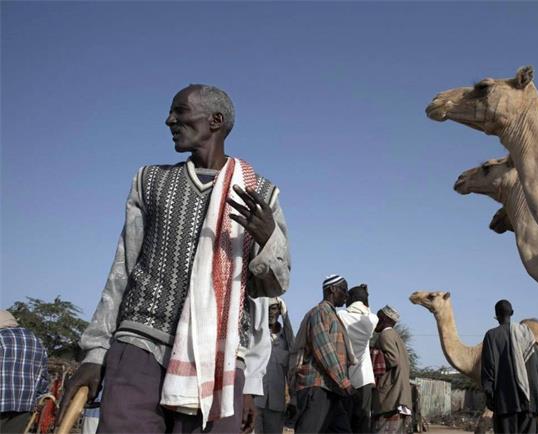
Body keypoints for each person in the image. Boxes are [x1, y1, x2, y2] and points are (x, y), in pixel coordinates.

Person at [58, 84, 291, 434]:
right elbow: (121, 272)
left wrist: (268, 239)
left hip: (218, 361)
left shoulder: (259, 193)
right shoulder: (150, 181)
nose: (169, 120)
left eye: (179, 111)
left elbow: (273, 285)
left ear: (215, 120)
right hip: (139, 346)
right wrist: (95, 353)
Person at [290, 275, 355, 433]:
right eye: (344, 290)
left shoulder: (332, 315)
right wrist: (344, 382)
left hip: (331, 388)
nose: (347, 296)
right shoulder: (320, 312)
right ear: (332, 289)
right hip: (317, 387)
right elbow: (324, 351)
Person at [480, 300, 538, 434]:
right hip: (529, 401)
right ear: (512, 313)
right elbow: (537, 363)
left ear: (496, 315)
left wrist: (489, 396)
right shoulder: (526, 334)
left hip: (505, 403)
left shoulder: (491, 336)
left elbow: (488, 369)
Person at [337, 284, 379, 433]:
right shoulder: (372, 320)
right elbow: (368, 312)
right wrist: (366, 295)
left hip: (345, 378)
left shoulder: (341, 316)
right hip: (364, 379)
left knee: (345, 420)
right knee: (362, 420)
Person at [0, 310, 49, 434]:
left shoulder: (1, 337)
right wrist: (39, 397)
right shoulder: (36, 341)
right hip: (24, 405)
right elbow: (43, 377)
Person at [254, 298, 295, 434]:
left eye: (274, 309)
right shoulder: (257, 335)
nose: (271, 313)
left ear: (279, 311)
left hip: (276, 404)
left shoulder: (285, 339)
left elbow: (294, 349)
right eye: (268, 308)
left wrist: (286, 316)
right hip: (255, 402)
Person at [372, 305, 412, 434]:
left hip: (390, 397)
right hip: (399, 395)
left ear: (384, 319)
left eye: (378, 318)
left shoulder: (386, 335)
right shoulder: (395, 336)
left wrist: (372, 355)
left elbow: (392, 359)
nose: (375, 321)